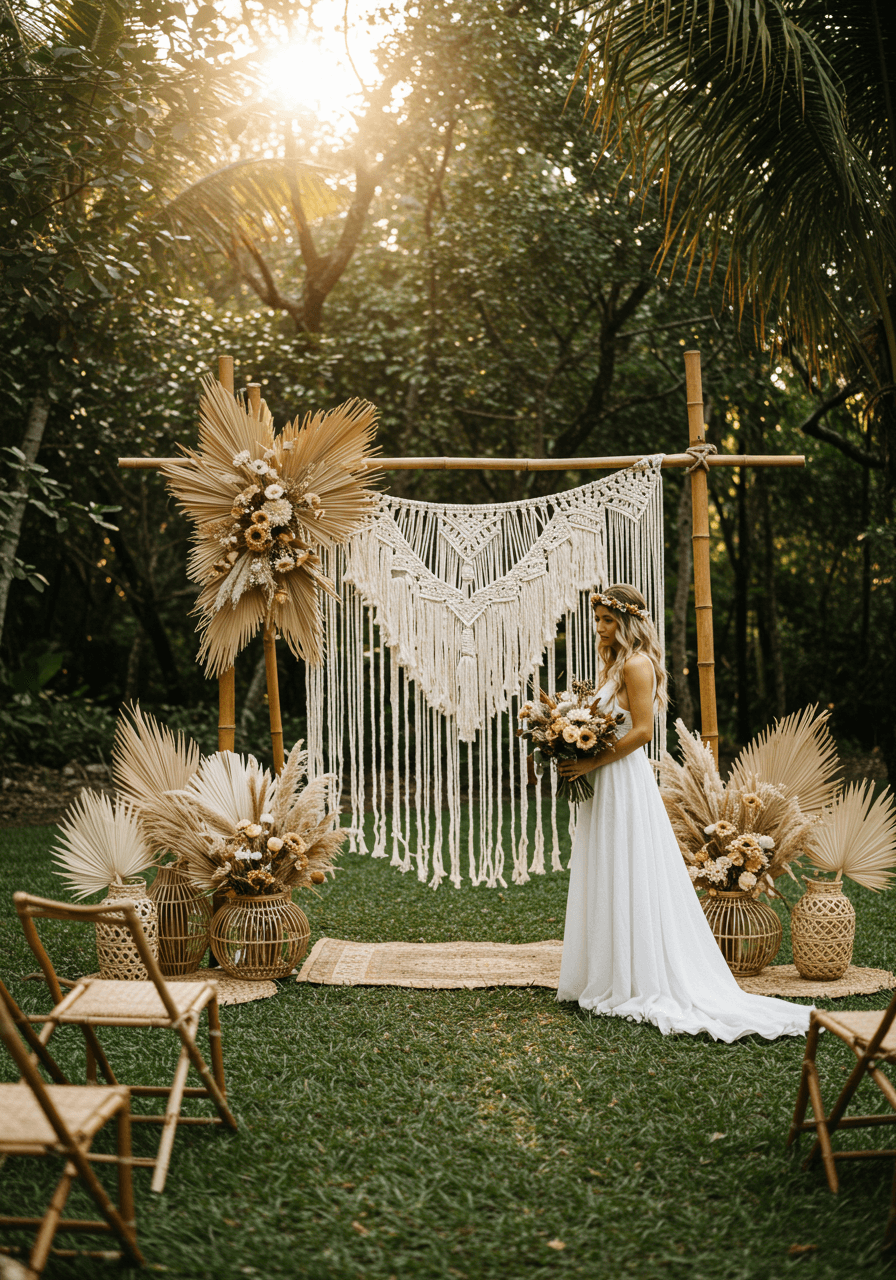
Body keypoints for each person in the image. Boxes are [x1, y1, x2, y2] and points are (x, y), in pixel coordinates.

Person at [555, 583, 811, 1041]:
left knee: (626, 864)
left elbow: (641, 732)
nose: (600, 627)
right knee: (606, 866)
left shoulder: (636, 664)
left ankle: (639, 976)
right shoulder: (613, 663)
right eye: (597, 620)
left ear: (628, 622)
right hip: (604, 779)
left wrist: (592, 759)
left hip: (621, 777)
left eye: (608, 620)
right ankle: (610, 969)